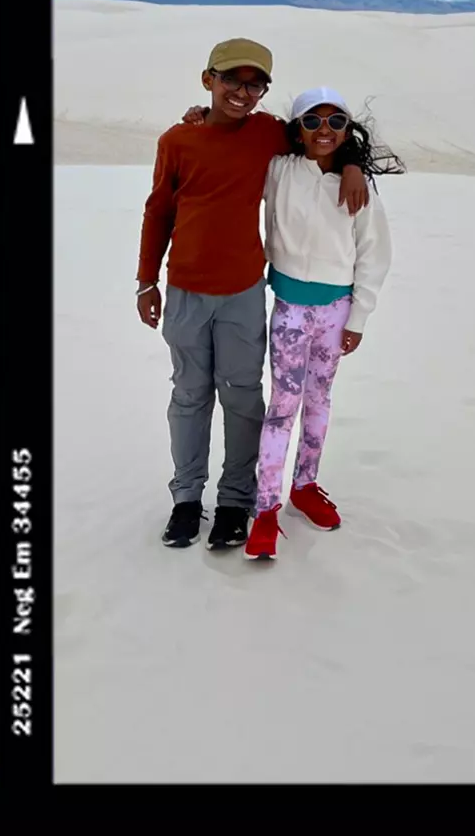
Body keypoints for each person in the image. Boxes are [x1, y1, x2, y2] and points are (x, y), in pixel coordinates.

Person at [138, 39, 369, 554]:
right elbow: (159, 211)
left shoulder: (267, 134)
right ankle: (186, 498)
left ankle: (236, 501)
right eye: (231, 81)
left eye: (255, 84)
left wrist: (353, 163)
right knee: (189, 395)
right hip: (184, 291)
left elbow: (322, 136)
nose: (242, 93)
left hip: (243, 292)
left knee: (242, 396)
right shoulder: (177, 140)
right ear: (208, 79)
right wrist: (146, 280)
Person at [243, 88, 400, 561]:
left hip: (336, 313)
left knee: (319, 400)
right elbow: (244, 138)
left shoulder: (358, 187)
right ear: (298, 130)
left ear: (348, 131)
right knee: (282, 406)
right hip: (290, 310)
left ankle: (305, 485)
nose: (324, 130)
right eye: (312, 121)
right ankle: (266, 507)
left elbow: (374, 254)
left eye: (336, 122)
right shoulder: (280, 171)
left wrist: (359, 317)